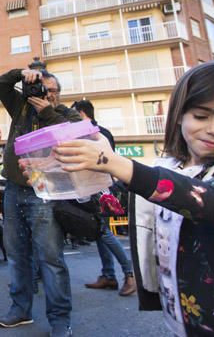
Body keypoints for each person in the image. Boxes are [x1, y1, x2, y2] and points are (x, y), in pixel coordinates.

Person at [53, 61, 214, 336]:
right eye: (201, 115)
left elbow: (208, 200)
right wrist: (62, 179)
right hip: (184, 320)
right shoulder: (173, 167)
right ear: (180, 115)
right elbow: (117, 205)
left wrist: (115, 162)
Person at [0, 65, 80, 335]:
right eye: (42, 88)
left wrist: (47, 112)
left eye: (52, 91)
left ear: (58, 94)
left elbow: (77, 134)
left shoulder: (65, 114)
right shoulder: (20, 105)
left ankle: (59, 320)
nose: (46, 94)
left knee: (50, 258)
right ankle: (20, 310)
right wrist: (22, 74)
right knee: (17, 255)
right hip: (14, 189)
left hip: (47, 193)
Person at [71, 100, 136, 296]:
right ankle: (108, 275)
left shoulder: (95, 134)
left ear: (82, 113)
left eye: (74, 115)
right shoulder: (101, 131)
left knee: (104, 233)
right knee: (101, 233)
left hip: (99, 190)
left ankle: (130, 274)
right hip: (99, 189)